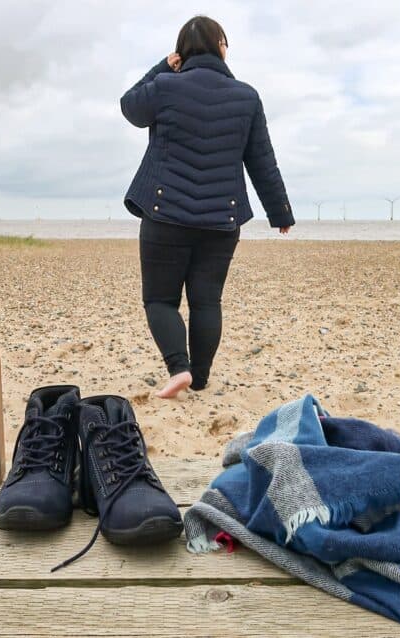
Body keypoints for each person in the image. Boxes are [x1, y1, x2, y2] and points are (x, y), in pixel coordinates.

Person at [120, 15, 294, 399]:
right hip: (221, 219)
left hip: (165, 214)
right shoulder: (246, 97)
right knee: (206, 300)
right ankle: (199, 377)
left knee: (161, 299)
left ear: (182, 52)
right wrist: (279, 212)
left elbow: (130, 106)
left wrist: (163, 66)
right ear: (221, 47)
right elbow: (262, 159)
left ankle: (177, 368)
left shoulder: (164, 86)